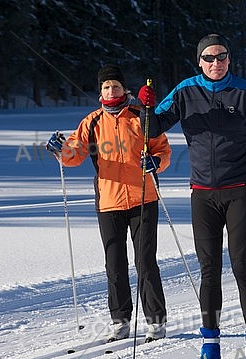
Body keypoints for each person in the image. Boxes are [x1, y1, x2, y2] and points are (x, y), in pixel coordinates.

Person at [138, 33, 246, 359]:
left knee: (242, 267)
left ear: (230, 59)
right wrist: (144, 107)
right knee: (208, 271)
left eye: (222, 57)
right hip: (202, 193)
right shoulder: (186, 91)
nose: (216, 63)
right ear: (199, 61)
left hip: (240, 190)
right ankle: (210, 346)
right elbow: (152, 128)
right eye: (209, 58)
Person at [46, 65, 172, 343]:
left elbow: (163, 150)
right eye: (106, 87)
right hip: (109, 201)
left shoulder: (141, 116)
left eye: (115, 86)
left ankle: (156, 321)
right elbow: (74, 155)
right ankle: (120, 321)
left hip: (143, 198)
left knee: (145, 261)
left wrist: (156, 162)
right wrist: (60, 149)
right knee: (114, 264)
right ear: (100, 91)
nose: (111, 91)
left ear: (124, 89)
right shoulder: (92, 122)